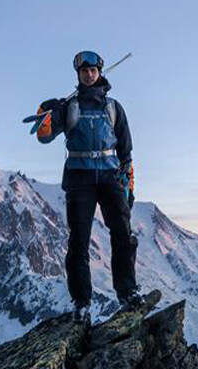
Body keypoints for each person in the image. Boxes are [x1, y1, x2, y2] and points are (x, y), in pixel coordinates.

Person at [35, 50, 142, 325]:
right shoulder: (69, 107)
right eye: (84, 71)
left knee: (122, 233)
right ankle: (81, 302)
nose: (89, 74)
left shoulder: (114, 108)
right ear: (79, 74)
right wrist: (46, 112)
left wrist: (128, 184)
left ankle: (127, 291)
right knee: (78, 241)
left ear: (99, 73)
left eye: (93, 71)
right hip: (80, 179)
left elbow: (126, 150)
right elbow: (44, 137)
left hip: (110, 177)